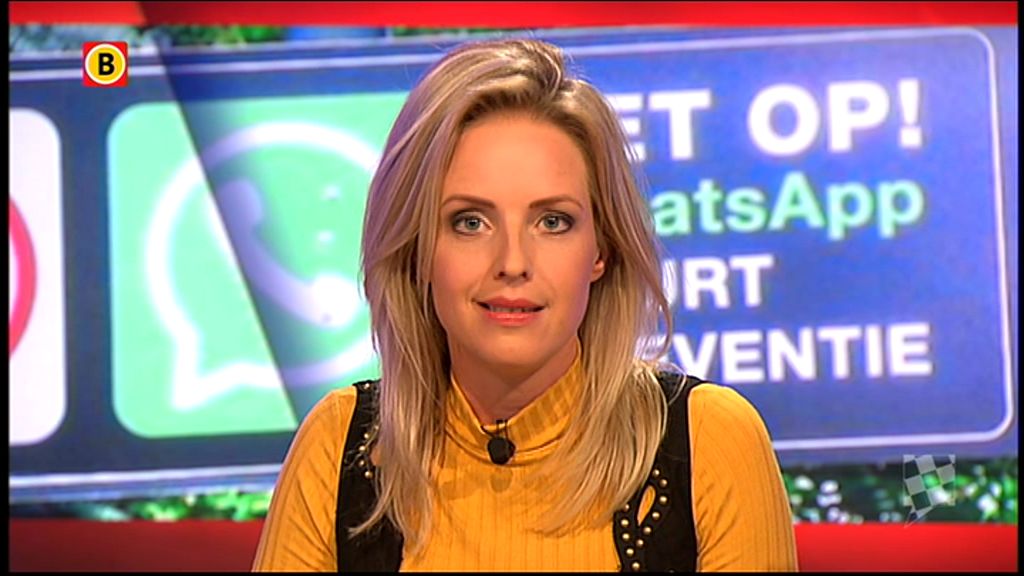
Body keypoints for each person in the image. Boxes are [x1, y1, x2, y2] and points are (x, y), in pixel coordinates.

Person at [252, 37, 797, 572]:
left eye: (552, 222)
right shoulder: (340, 446)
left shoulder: (708, 442)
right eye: (470, 222)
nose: (512, 262)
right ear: (417, 248)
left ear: (601, 248)